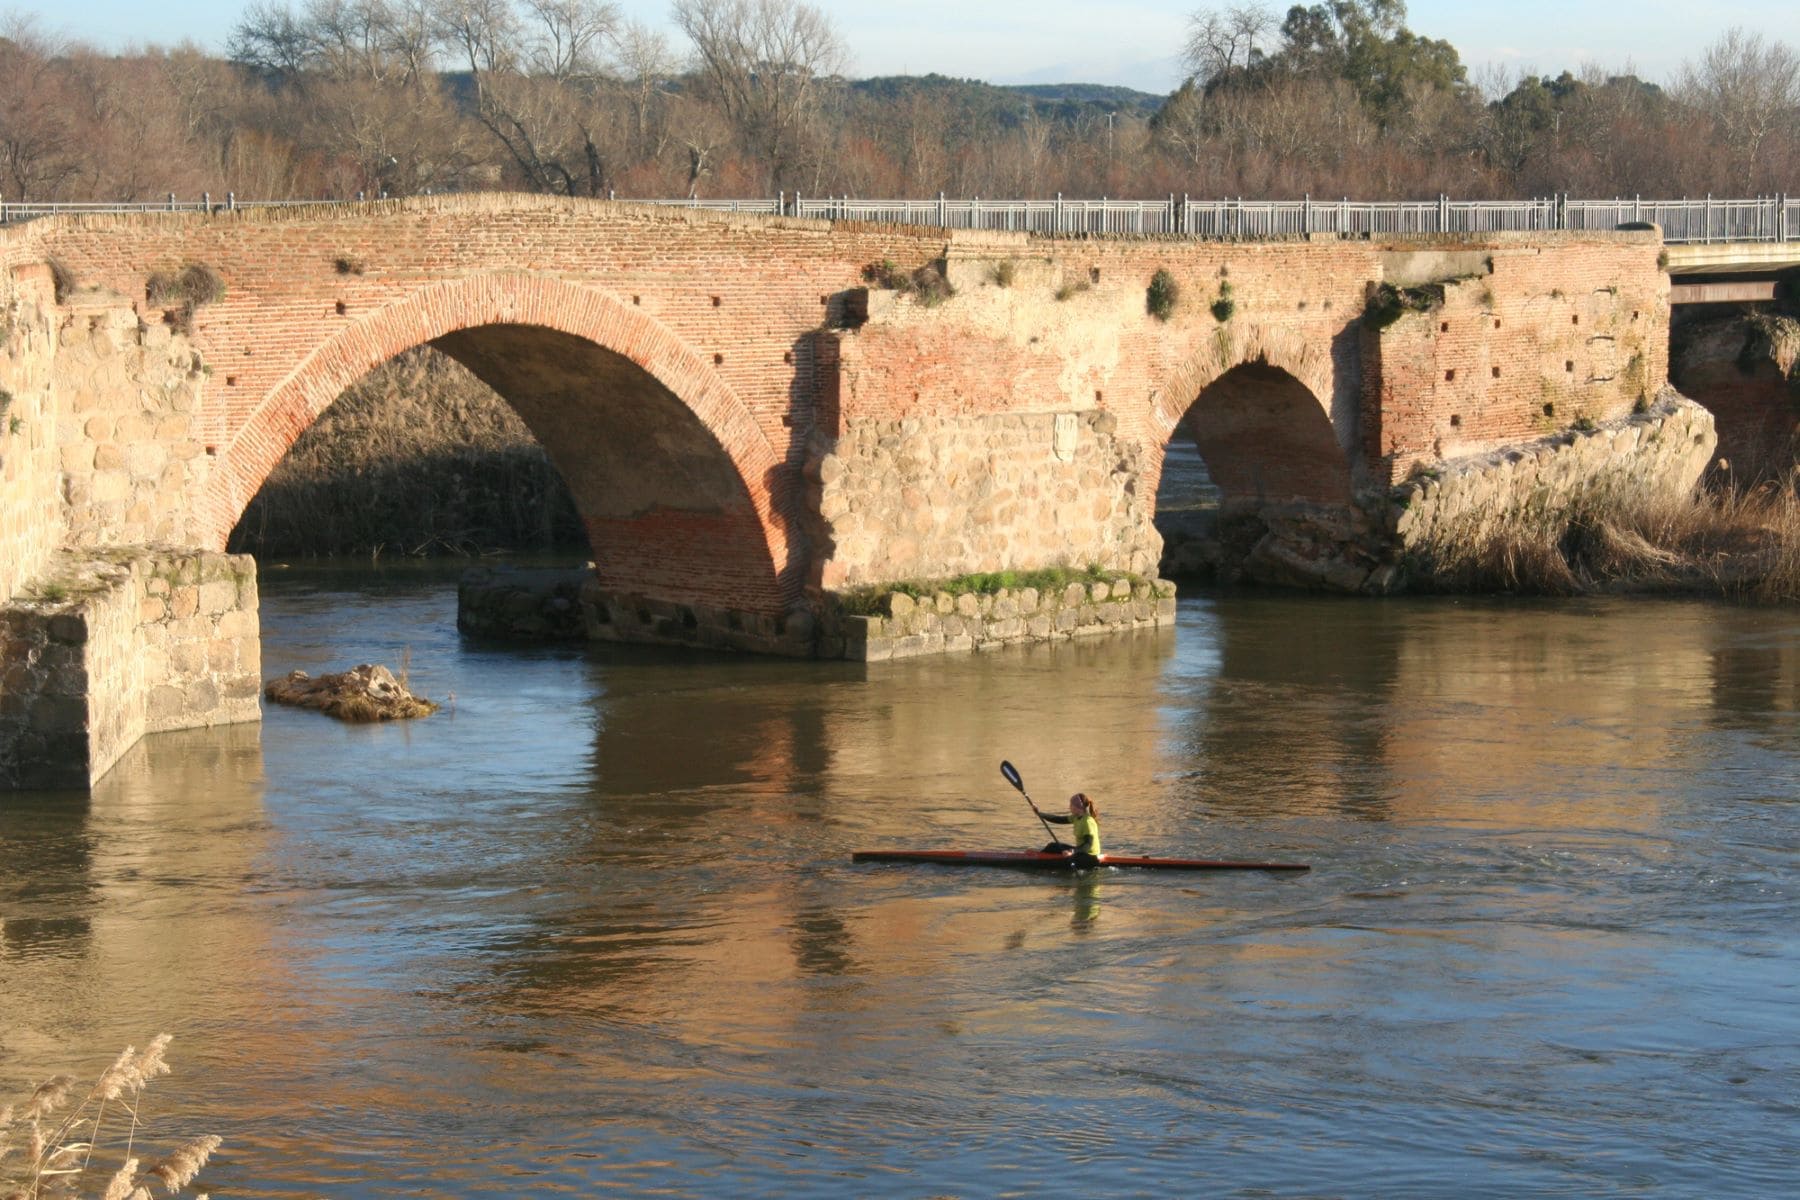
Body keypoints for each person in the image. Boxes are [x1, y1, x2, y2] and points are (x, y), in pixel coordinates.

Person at [1034, 792, 1103, 869]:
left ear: (1077, 807)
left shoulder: (1087, 822)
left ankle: (1036, 861)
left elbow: (1088, 845)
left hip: (1090, 857)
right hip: (1081, 852)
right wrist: (1040, 814)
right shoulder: (1076, 817)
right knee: (1052, 846)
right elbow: (1058, 819)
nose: (1069, 807)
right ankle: (1038, 855)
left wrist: (1072, 851)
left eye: (1071, 805)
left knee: (1059, 861)